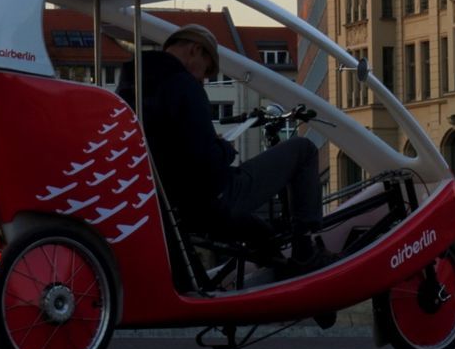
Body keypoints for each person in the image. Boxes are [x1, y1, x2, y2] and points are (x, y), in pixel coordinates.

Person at [117, 24, 330, 273]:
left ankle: (274, 283)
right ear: (195, 50)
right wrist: (225, 149)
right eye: (205, 72)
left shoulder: (131, 84)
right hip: (210, 200)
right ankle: (306, 250)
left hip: (168, 204)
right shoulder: (185, 86)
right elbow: (207, 168)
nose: (202, 80)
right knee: (303, 150)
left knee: (263, 234)